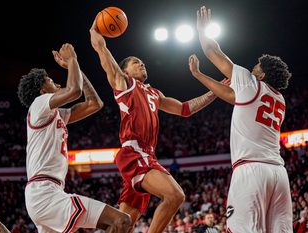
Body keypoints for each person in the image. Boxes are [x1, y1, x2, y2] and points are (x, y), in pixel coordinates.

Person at [90, 18, 229, 233]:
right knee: (176, 196)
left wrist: (215, 91)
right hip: (134, 153)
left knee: (122, 224)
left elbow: (185, 108)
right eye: (136, 62)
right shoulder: (125, 84)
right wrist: (95, 30)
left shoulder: (154, 93)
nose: (142, 63)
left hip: (147, 155)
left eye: (142, 61)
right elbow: (102, 51)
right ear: (125, 71)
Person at [189, 6, 293, 232]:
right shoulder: (280, 99)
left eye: (257, 66)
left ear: (262, 74)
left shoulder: (250, 83)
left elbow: (211, 50)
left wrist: (202, 30)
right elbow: (228, 94)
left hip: (251, 171)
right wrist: (199, 75)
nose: (253, 66)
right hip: (278, 174)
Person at [17, 43, 131, 233]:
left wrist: (74, 66)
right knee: (121, 221)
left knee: (116, 223)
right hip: (44, 192)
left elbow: (94, 103)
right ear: (42, 90)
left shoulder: (55, 114)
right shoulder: (39, 104)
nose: (58, 83)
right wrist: (72, 60)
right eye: (51, 81)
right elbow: (74, 91)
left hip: (46, 193)